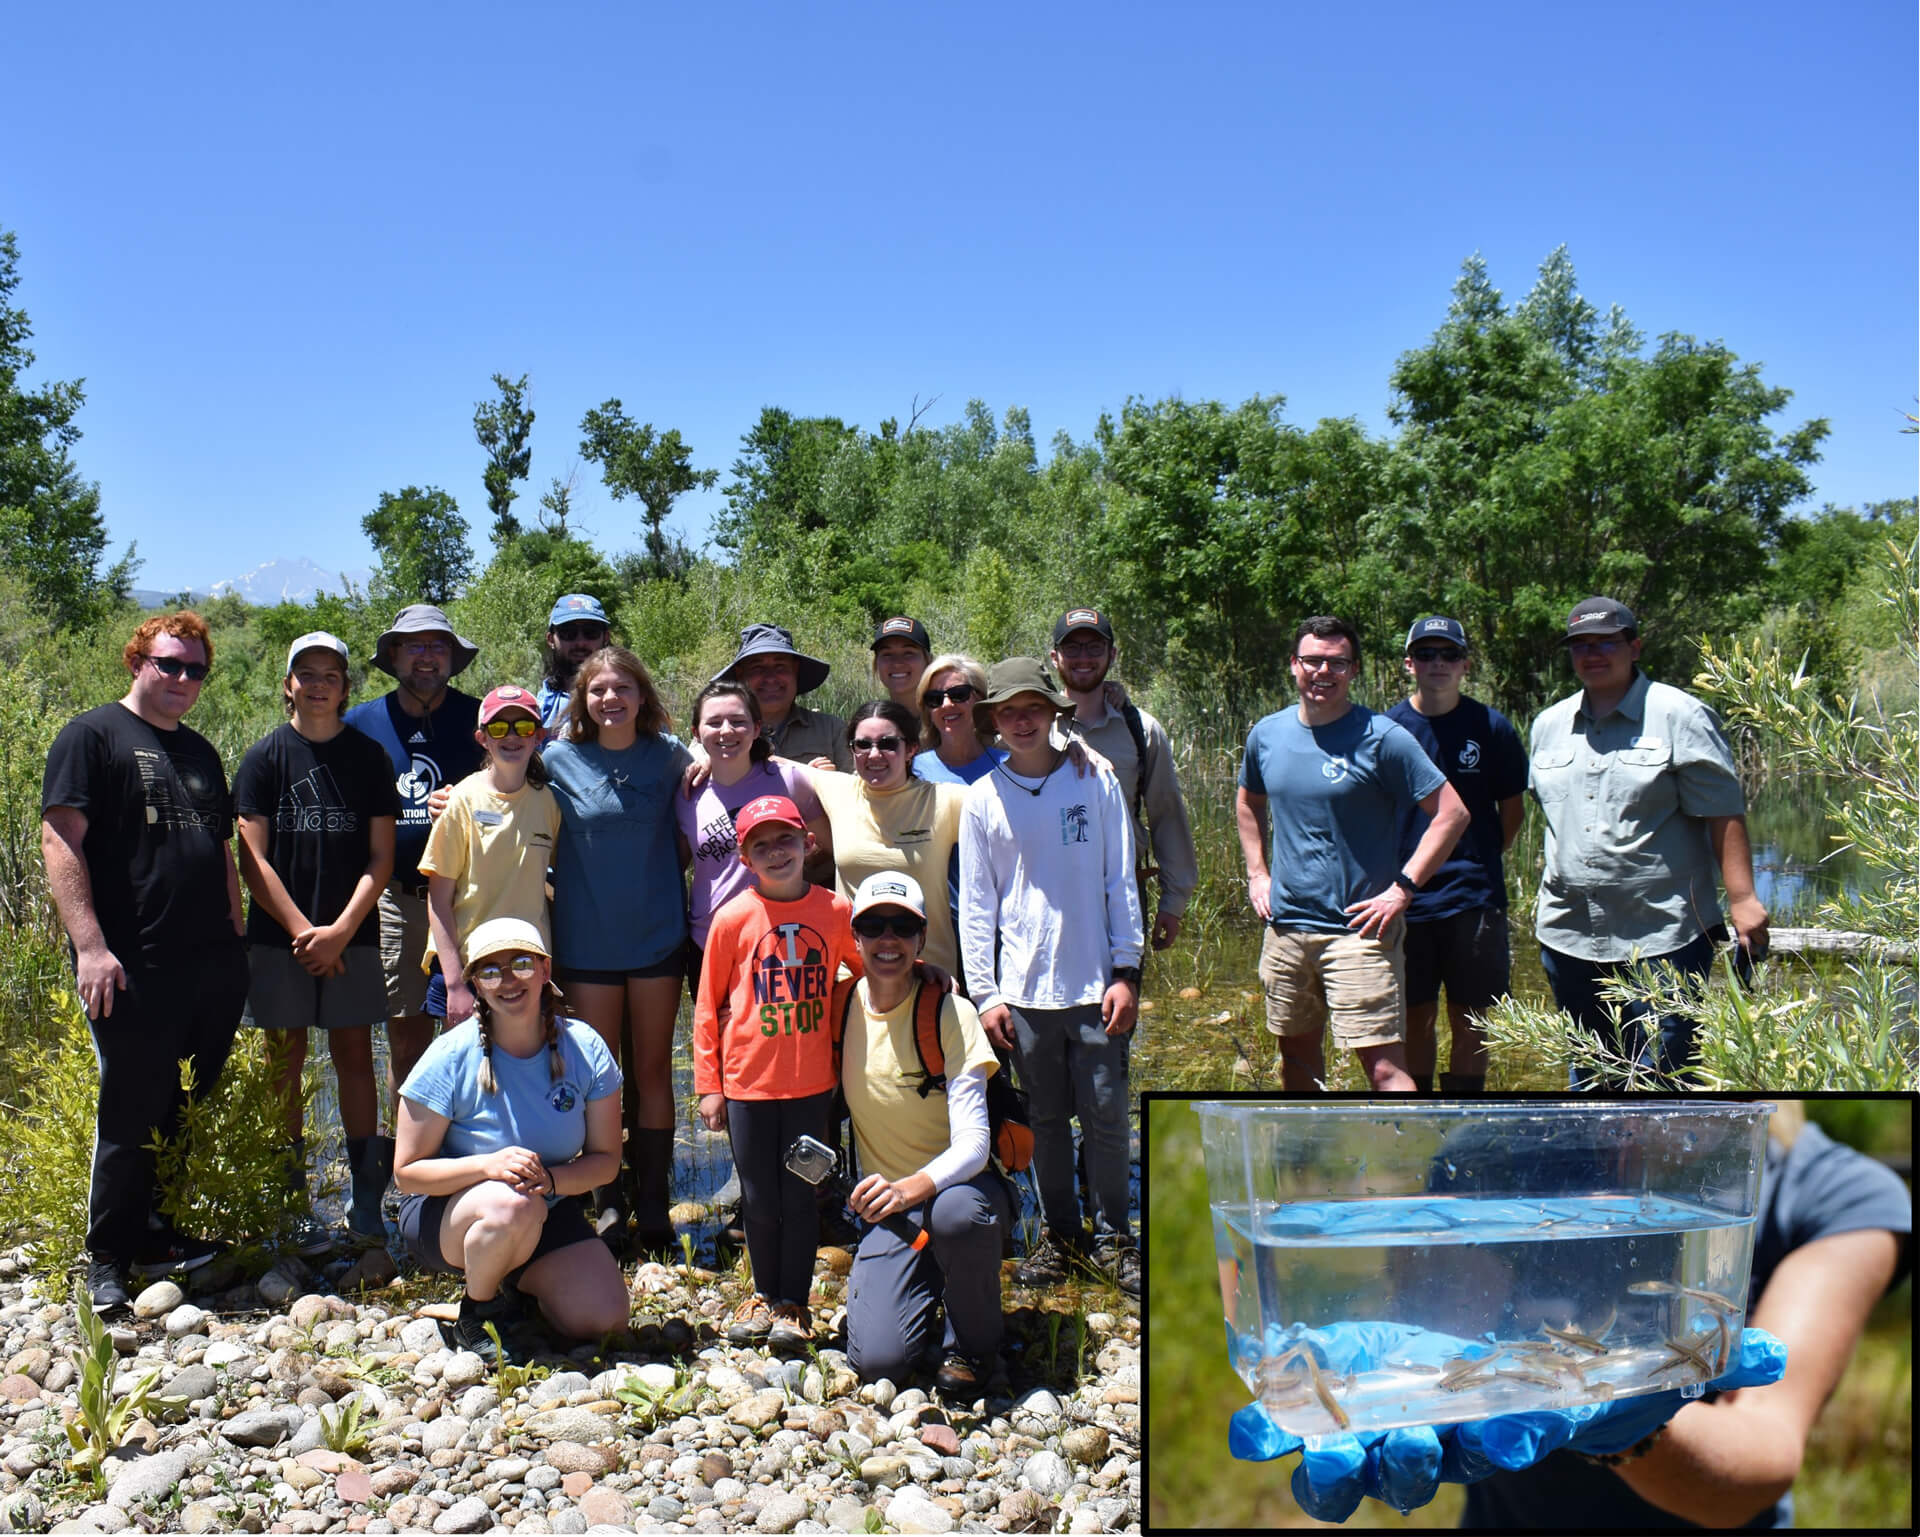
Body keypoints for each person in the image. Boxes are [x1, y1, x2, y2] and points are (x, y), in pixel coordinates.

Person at [1232, 1102, 1911, 1531]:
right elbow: (1437, 1336)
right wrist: (1403, 1376)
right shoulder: (1492, 1156)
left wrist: (1616, 1426)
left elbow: (1760, 1462)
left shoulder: (1842, 1197)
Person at [41, 610, 250, 1313]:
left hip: (208, 959)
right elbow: (60, 839)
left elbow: (219, 849)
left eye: (195, 669)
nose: (183, 679)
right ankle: (106, 1258)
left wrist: (236, 939)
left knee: (183, 1099)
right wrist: (91, 945)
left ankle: (158, 1233)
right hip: (131, 961)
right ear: (138, 661)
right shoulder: (92, 736)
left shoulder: (199, 751)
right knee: (129, 1105)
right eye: (170, 663)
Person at [1529, 597, 1769, 1088]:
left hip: (1663, 933)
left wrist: (1743, 899)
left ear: (1634, 647)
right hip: (1567, 931)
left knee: (1667, 1075)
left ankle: (1665, 1163)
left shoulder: (1680, 714)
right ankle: (1599, 1159)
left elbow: (1723, 812)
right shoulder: (1548, 725)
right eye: (1580, 645)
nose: (1592, 653)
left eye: (1606, 642)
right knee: (1592, 1070)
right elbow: (1552, 819)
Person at [958, 658, 1143, 1295]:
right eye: (1007, 712)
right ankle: (1061, 1236)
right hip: (1023, 994)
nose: (1021, 720)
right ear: (995, 722)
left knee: (1108, 1116)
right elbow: (978, 906)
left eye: (1032, 708)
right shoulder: (984, 797)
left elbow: (1121, 878)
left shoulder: (1094, 781)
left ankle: (1116, 1235)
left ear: (1053, 712)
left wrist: (1128, 970)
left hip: (1096, 987)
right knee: (1043, 1125)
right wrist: (985, 993)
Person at [1234, 617, 1470, 1095]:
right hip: (1287, 931)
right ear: (1294, 666)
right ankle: (1310, 1166)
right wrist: (1258, 874)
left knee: (1384, 1070)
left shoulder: (1382, 737)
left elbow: (1452, 813)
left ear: (1353, 669)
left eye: (1336, 662)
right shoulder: (1267, 734)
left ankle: (1405, 1168)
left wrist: (1402, 890)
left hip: (1358, 932)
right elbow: (1248, 802)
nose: (1323, 671)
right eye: (1313, 660)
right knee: (1297, 1062)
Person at [393, 918, 629, 1363]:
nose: (507, 981)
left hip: (544, 1206)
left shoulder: (585, 1049)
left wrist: (553, 1181)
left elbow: (605, 1161)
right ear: (475, 985)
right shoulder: (450, 1055)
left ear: (544, 970)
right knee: (513, 1204)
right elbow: (407, 1174)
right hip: (446, 1211)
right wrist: (488, 1167)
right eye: (489, 970)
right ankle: (476, 1311)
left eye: (520, 964)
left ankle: (512, 1286)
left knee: (604, 1319)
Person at [233, 632, 399, 1252]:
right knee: (287, 1065)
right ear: (289, 684)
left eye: (332, 673)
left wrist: (340, 931)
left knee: (356, 1058)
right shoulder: (264, 758)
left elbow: (380, 858)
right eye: (307, 672)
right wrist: (304, 932)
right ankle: (288, 1202)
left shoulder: (368, 758)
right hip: (281, 944)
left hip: (351, 937)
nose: (319, 682)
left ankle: (364, 1203)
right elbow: (252, 858)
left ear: (346, 687)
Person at [693, 794, 864, 1351]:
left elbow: (868, 975)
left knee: (802, 1197)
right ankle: (764, 1295)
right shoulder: (733, 918)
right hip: (748, 1086)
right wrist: (709, 1086)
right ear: (744, 857)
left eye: (785, 840)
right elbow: (706, 1006)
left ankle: (796, 1302)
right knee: (760, 1199)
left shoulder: (834, 911)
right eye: (760, 845)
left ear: (807, 844)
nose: (776, 852)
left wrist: (923, 977)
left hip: (813, 1088)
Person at [836, 874, 1012, 1396]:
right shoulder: (840, 1006)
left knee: (957, 1215)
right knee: (879, 1362)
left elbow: (975, 1146)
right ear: (856, 937)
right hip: (891, 1212)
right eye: (872, 926)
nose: (886, 940)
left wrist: (909, 1188)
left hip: (962, 1193)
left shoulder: (950, 1012)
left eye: (902, 927)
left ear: (922, 937)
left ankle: (973, 1349)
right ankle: (935, 1279)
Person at [544, 645, 691, 1253]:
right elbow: (501, 792)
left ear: (642, 695)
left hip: (657, 935)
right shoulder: (557, 758)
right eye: (598, 689)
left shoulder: (674, 758)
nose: (610, 699)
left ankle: (653, 1202)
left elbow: (697, 824)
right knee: (597, 1074)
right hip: (586, 939)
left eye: (621, 688)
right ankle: (606, 1203)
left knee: (653, 1071)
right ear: (582, 698)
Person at [342, 604, 484, 1180]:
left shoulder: (481, 719)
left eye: (437, 646)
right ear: (394, 657)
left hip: (475, 897)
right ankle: (415, 1167)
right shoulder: (360, 724)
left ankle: (476, 1150)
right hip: (399, 897)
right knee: (408, 1034)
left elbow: (521, 784)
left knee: (484, 1026)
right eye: (414, 646)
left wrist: (468, 800)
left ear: (452, 658)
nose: (427, 656)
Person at [1385, 616, 1527, 1094]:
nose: (1437, 664)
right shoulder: (1386, 730)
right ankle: (1421, 1113)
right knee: (1415, 1018)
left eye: (1448, 654)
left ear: (1466, 664)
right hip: (1407, 899)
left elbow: (1511, 813)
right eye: (1426, 654)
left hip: (1474, 898)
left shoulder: (1491, 727)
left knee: (1473, 1019)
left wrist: (1480, 857)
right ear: (1409, 664)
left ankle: (1464, 1113)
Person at [1049, 607, 1199, 952]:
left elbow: (1167, 816)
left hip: (1123, 890)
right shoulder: (1034, 728)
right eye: (1072, 648)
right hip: (1049, 890)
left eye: (1094, 648)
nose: (1083, 658)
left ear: (1112, 655)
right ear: (1055, 657)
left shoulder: (1141, 729)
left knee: (1121, 1000)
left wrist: (1173, 901)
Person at [419, 685, 560, 1028]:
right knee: (470, 1077)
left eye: (523, 727)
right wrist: (454, 984)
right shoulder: (461, 801)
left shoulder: (549, 803)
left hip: (526, 965)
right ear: (482, 738)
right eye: (499, 728)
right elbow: (439, 899)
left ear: (538, 736)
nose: (511, 736)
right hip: (468, 966)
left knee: (524, 1072)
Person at [676, 680, 828, 981]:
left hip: (783, 940)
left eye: (738, 721)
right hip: (709, 940)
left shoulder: (790, 782)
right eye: (714, 722)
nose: (726, 731)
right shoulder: (686, 793)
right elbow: (678, 866)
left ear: (757, 728)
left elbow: (831, 848)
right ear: (696, 733)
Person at [810, 702, 970, 976]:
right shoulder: (837, 789)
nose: (874, 754)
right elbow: (764, 764)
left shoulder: (944, 800)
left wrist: (1063, 757)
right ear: (852, 750)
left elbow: (1009, 800)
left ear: (911, 749)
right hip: (853, 977)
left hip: (931, 977)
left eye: (888, 744)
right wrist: (708, 758)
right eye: (862, 744)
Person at [713, 623, 853, 772]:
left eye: (780, 666)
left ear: (795, 670)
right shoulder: (717, 732)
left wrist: (828, 780)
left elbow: (858, 789)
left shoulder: (832, 730)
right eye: (757, 668)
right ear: (740, 674)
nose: (770, 678)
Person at [912, 654, 1007, 786]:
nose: (946, 704)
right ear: (927, 710)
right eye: (934, 698)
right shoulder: (913, 773)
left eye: (958, 694)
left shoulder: (1009, 766)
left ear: (980, 699)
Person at [536, 593, 612, 732]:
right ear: (551, 640)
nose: (580, 642)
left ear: (606, 637)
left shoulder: (628, 703)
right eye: (568, 633)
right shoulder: (537, 710)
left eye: (590, 632)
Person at [870, 616, 934, 717]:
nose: (897, 663)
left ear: (928, 660)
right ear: (876, 663)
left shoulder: (945, 718)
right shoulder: (871, 724)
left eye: (908, 653)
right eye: (887, 654)